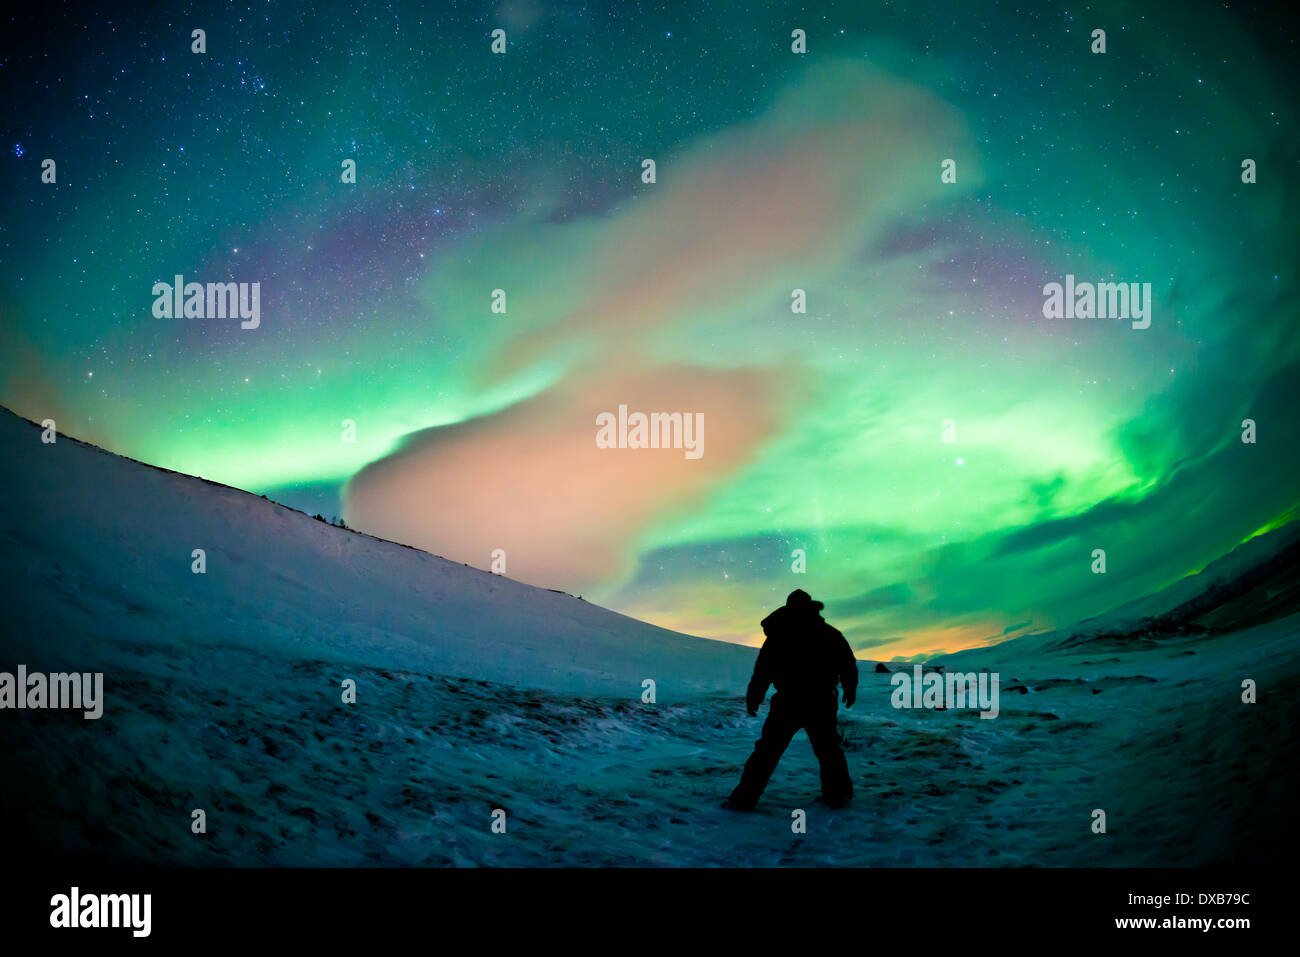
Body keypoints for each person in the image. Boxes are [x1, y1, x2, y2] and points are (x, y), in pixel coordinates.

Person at [724, 589, 857, 811]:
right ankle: (838, 796)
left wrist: (754, 696)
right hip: (815, 701)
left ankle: (744, 800)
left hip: (793, 702)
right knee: (825, 751)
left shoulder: (780, 635)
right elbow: (847, 664)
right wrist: (849, 688)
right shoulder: (826, 633)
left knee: (769, 752)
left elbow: (762, 671)